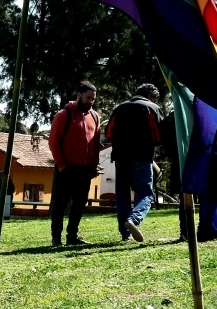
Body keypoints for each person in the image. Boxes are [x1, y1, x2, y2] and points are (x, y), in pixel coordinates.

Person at [106, 84, 164, 242]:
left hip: (121, 157)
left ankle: (126, 234)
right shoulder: (152, 108)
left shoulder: (120, 108)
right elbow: (160, 135)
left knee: (122, 195)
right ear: (151, 96)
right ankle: (134, 219)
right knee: (145, 193)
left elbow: (109, 133)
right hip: (142, 157)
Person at [47, 81, 102, 246]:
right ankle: (56, 237)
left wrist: (94, 165)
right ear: (78, 95)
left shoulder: (95, 117)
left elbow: (96, 143)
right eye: (87, 97)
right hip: (66, 168)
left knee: (79, 204)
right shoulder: (64, 115)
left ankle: (72, 237)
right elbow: (53, 142)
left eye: (93, 99)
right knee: (61, 203)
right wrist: (62, 165)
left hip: (85, 169)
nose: (90, 101)